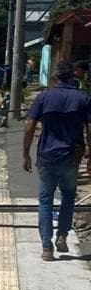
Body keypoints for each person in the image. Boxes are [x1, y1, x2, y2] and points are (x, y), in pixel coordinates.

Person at [23, 61, 91, 261]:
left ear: (54, 78)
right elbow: (90, 129)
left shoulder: (43, 97)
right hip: (71, 156)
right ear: (73, 78)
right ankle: (62, 234)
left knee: (45, 201)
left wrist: (25, 153)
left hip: (46, 156)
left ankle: (46, 247)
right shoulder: (83, 98)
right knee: (68, 197)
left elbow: (29, 126)